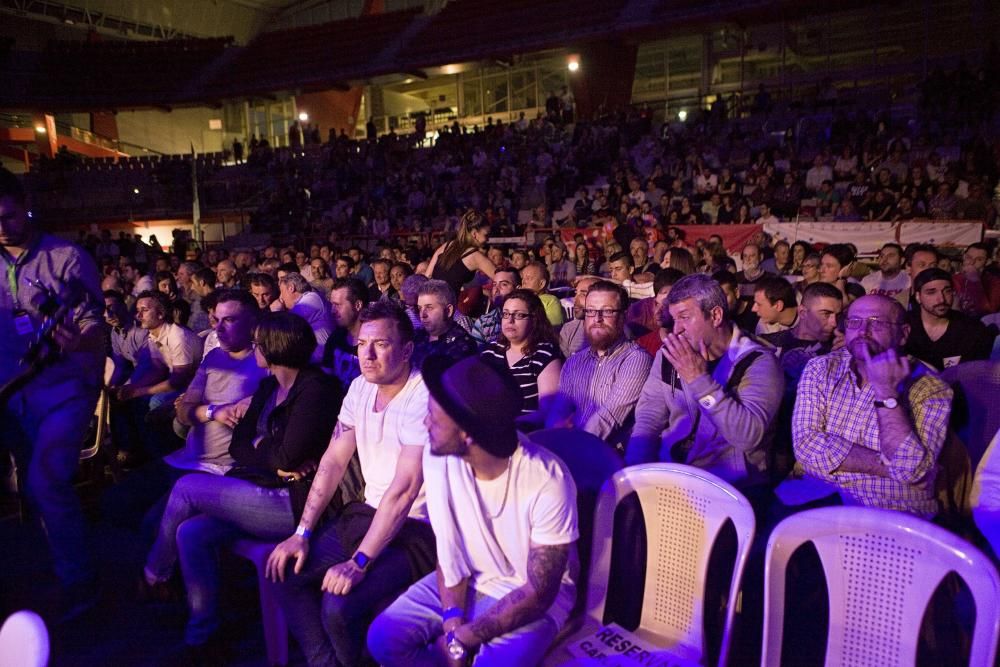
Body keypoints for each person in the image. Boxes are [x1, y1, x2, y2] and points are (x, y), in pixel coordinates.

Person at [142, 311, 342, 658]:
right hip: (260, 488)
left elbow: (284, 458)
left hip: (294, 503)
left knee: (187, 488)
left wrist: (265, 450)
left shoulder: (316, 390)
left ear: (275, 345)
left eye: (259, 342)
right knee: (191, 533)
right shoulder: (268, 387)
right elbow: (243, 447)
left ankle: (154, 576)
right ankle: (203, 636)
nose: (254, 346)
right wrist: (267, 451)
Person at [367, 356, 579, 666]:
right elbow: (448, 551)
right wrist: (453, 621)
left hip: (532, 598)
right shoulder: (440, 457)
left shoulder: (547, 480)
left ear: (467, 434)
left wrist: (461, 640)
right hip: (470, 578)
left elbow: (539, 592)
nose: (425, 424)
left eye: (433, 418)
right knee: (384, 639)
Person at [267, 301, 436, 667]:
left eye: (381, 344)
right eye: (361, 344)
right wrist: (302, 533)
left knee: (337, 606)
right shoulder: (360, 387)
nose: (368, 355)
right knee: (281, 571)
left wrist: (358, 563)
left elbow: (405, 488)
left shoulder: (422, 395)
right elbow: (332, 461)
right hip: (366, 516)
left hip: (418, 529)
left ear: (407, 349)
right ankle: (326, 662)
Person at [0, 167, 105, 618]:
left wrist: (75, 340)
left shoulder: (66, 258)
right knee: (32, 491)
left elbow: (96, 331)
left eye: (7, 216)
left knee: (46, 480)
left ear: (25, 206)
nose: (1, 228)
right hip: (11, 393)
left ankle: (81, 583)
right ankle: (60, 568)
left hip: (65, 389)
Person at [102, 290, 267, 533]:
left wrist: (249, 402)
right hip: (187, 457)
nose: (218, 329)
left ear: (252, 322)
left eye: (229, 320)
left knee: (152, 526)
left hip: (219, 467)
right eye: (216, 320)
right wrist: (213, 412)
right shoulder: (213, 357)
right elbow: (183, 412)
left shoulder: (265, 363)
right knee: (111, 503)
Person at [793, 295, 953, 517]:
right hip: (815, 498)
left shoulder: (931, 388)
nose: (863, 331)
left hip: (888, 513)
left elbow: (911, 469)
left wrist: (886, 393)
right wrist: (889, 467)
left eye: (877, 323)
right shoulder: (821, 368)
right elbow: (805, 445)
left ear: (903, 333)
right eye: (854, 322)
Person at [627, 274, 783, 495]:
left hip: (730, 486)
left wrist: (699, 381)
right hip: (672, 472)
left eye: (684, 317)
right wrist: (635, 469)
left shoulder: (758, 362)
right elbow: (649, 416)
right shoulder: (671, 353)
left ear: (716, 315)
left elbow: (747, 437)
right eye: (674, 319)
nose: (676, 329)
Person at [560, 281, 652, 448]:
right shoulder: (574, 362)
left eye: (607, 311)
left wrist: (570, 448)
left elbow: (608, 419)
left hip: (608, 455)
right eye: (591, 311)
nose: (597, 319)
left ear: (623, 316)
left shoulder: (636, 359)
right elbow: (560, 411)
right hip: (571, 445)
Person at [480, 289, 563, 414]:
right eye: (506, 314)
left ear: (534, 319)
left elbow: (547, 413)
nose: (510, 320)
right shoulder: (490, 352)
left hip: (527, 430)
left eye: (518, 315)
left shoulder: (544, 355)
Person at [904, 267, 994, 370]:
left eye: (947, 291)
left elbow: (974, 375)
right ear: (918, 297)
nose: (941, 299)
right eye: (931, 292)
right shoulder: (903, 324)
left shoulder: (972, 329)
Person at [426, 210, 496, 294]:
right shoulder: (475, 256)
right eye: (486, 235)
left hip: (431, 300)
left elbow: (427, 276)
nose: (487, 239)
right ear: (474, 234)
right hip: (450, 304)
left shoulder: (446, 246)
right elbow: (502, 278)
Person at [412, 280, 478, 368]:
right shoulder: (416, 335)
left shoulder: (462, 345)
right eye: (420, 308)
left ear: (448, 311)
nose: (422, 314)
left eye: (429, 307)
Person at [322, 277, 369, 388]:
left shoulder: (375, 342)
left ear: (357, 305)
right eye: (332, 305)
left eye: (338, 305)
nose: (332, 311)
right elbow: (326, 378)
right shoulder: (335, 337)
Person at [277, 272, 331, 361]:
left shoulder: (312, 298)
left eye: (282, 292)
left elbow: (286, 327)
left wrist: (276, 311)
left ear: (291, 288)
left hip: (322, 366)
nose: (281, 298)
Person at [471, 268, 520, 346]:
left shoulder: (528, 319)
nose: (496, 289)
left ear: (517, 289)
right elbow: (478, 356)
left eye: (503, 284)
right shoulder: (483, 323)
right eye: (494, 285)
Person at [953, 242, 1000, 317]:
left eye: (979, 259)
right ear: (963, 256)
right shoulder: (954, 279)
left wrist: (974, 281)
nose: (972, 262)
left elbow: (989, 310)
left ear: (987, 262)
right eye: (968, 257)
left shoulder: (995, 282)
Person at [558, 276, 599, 358]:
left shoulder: (613, 329)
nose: (575, 299)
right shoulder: (568, 329)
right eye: (576, 293)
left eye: (583, 294)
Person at [517, 261, 565, 329]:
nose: (523, 282)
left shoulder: (551, 301)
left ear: (541, 284)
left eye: (528, 278)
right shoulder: (519, 299)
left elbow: (554, 327)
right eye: (522, 278)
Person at [861, 243, 910, 307]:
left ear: (902, 260)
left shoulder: (909, 280)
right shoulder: (868, 281)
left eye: (890, 256)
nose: (884, 260)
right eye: (882, 256)